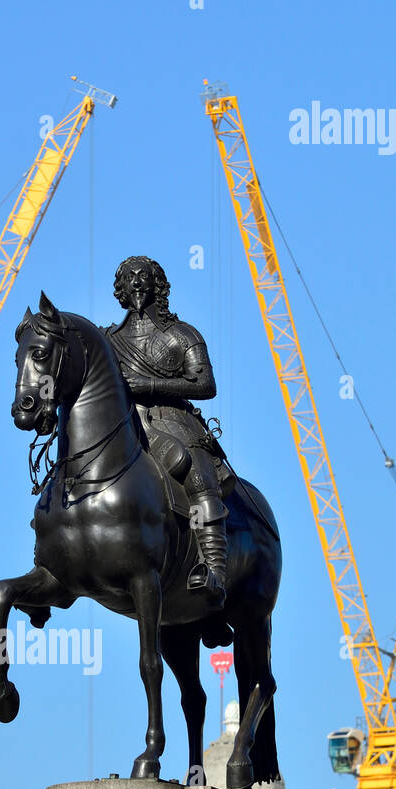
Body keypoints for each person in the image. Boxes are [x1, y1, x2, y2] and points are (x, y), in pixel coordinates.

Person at [104, 256, 229, 604]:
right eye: (129, 278)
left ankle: (215, 571)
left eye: (144, 276)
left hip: (175, 422)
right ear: (122, 290)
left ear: (157, 284)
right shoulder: (109, 339)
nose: (137, 282)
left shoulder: (183, 335)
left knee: (198, 474)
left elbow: (205, 384)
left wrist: (148, 383)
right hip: (126, 426)